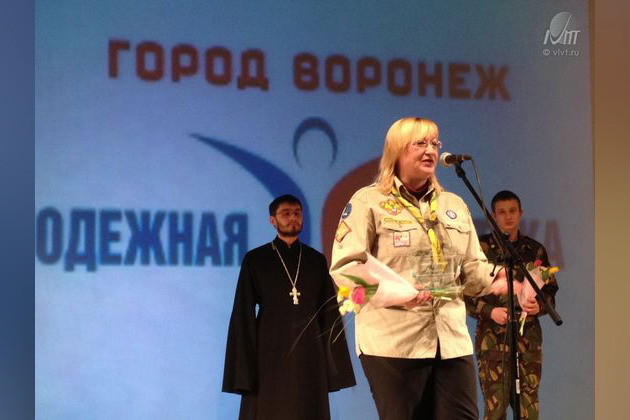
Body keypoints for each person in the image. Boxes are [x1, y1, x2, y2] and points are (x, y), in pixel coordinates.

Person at [329, 117, 508, 420]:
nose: (431, 151)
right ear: (397, 150)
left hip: (450, 340)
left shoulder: (453, 204)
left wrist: (499, 280)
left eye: (435, 143)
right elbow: (346, 268)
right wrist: (398, 294)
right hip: (394, 343)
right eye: (420, 143)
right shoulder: (368, 201)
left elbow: (471, 268)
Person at [222, 194, 356, 420]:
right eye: (286, 214)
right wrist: (243, 370)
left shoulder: (315, 260)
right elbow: (242, 315)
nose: (293, 218)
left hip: (309, 352)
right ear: (272, 220)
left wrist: (335, 366)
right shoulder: (255, 259)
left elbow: (329, 313)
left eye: (297, 213)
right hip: (268, 351)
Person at [465, 190, 559, 420]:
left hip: (527, 339)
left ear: (520, 213)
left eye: (512, 211)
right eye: (502, 212)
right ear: (494, 216)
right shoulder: (480, 249)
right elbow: (465, 294)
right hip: (493, 339)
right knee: (495, 409)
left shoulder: (534, 250)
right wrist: (491, 311)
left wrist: (539, 306)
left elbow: (550, 290)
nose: (508, 217)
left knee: (528, 407)